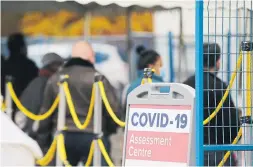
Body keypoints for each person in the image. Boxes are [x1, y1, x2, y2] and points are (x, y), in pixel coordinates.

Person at [37, 41, 121, 166]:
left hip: (63, 134)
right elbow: (113, 109)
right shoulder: (98, 78)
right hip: (94, 133)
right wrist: (109, 130)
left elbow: (45, 113)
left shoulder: (56, 78)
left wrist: (43, 142)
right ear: (89, 56)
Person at [183, 43, 240, 166]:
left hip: (190, 151)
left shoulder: (186, 85)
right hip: (217, 151)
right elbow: (232, 125)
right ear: (217, 62)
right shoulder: (219, 86)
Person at [14, 53, 64, 143]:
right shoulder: (42, 83)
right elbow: (38, 110)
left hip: (30, 131)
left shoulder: (40, 83)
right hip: (34, 134)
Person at [4, 33, 38, 120]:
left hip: (8, 107)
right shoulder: (29, 65)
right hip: (25, 108)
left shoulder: (4, 65)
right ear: (22, 47)